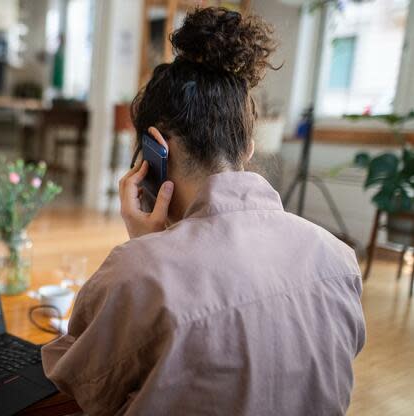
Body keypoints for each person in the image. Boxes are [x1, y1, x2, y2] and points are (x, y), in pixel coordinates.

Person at [41, 7, 365, 415]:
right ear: (247, 147)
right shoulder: (338, 260)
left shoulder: (138, 274)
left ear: (157, 146)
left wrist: (148, 249)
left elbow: (73, 379)